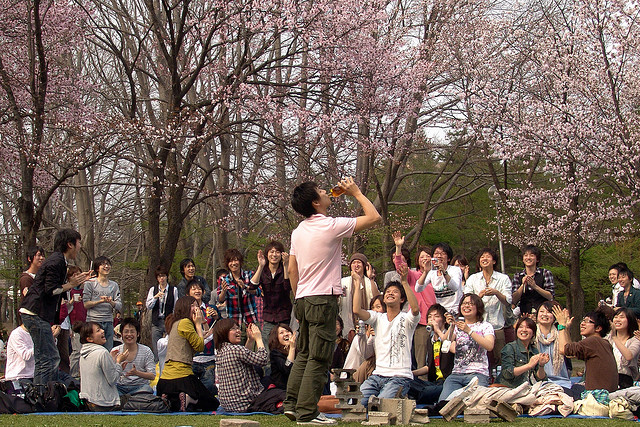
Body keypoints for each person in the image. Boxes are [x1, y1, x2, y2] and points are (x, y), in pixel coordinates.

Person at [285, 177, 381, 425]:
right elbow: (374, 217)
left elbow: (292, 270)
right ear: (316, 202)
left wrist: (298, 296)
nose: (326, 191)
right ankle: (307, 413)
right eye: (320, 191)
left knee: (305, 353)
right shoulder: (330, 225)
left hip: (303, 300)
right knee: (318, 357)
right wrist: (356, 192)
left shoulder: (298, 232)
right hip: (322, 299)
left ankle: (292, 405)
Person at [19, 228, 93, 384]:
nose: (80, 247)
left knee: (43, 357)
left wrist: (74, 283)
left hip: (36, 314)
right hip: (34, 313)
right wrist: (70, 285)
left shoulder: (59, 261)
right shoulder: (57, 261)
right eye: (78, 243)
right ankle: (45, 395)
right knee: (50, 357)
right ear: (70, 244)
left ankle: (41, 395)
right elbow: (51, 289)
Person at [355, 264, 420, 406]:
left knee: (382, 407)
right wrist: (358, 282)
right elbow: (357, 310)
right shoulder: (378, 318)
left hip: (400, 377)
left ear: (402, 299)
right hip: (377, 376)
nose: (390, 293)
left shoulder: (407, 319)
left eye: (395, 292)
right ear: (383, 299)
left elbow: (415, 309)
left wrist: (404, 282)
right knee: (356, 404)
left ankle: (403, 397)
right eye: (388, 291)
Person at [156, 296, 218, 412]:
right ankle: (189, 398)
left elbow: (189, 348)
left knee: (178, 406)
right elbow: (199, 347)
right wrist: (198, 324)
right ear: (184, 307)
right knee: (212, 403)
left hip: (164, 381)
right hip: (182, 377)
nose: (197, 308)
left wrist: (201, 334)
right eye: (193, 305)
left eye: (197, 305)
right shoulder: (186, 322)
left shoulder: (176, 323)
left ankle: (170, 397)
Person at [391, 232, 436, 376]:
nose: (425, 259)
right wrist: (399, 248)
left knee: (426, 359)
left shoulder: (438, 276)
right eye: (422, 256)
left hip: (433, 321)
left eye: (428, 256)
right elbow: (400, 266)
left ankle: (425, 388)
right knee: (413, 357)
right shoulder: (414, 276)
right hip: (417, 321)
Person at [214, 319, 280, 412]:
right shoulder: (235, 349)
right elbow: (263, 359)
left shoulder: (222, 350)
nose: (238, 331)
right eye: (233, 329)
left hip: (229, 405)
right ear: (223, 332)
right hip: (245, 404)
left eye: (238, 328)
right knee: (280, 393)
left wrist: (250, 339)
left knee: (266, 380)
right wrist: (259, 338)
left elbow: (244, 358)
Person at [438, 294, 495, 401]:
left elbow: (489, 346)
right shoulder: (457, 326)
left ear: (478, 307)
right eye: (464, 303)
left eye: (470, 303)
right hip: (457, 374)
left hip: (478, 373)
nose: (466, 306)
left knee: (475, 404)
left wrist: (469, 331)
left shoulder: (485, 326)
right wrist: (451, 325)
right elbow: (446, 342)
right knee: (443, 403)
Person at [463, 248, 512, 371]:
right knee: (478, 359)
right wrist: (478, 297)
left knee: (500, 357)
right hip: (477, 325)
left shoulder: (503, 278)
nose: (484, 259)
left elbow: (508, 300)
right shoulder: (473, 279)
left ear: (494, 261)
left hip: (497, 325)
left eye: (488, 256)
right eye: (482, 257)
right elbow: (465, 299)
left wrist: (496, 293)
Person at [554, 306, 618, 397]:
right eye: (583, 321)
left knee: (553, 390)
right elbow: (570, 354)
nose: (582, 324)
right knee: (575, 387)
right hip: (605, 394)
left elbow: (563, 350)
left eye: (588, 321)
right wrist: (566, 330)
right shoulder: (603, 342)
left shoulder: (593, 341)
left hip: (596, 396)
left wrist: (561, 325)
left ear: (598, 328)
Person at [408, 304, 454, 404]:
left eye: (436, 316)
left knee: (427, 392)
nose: (432, 319)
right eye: (429, 316)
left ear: (444, 320)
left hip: (447, 381)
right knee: (406, 382)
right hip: (433, 382)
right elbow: (429, 367)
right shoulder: (431, 340)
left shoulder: (451, 334)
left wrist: (437, 330)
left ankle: (419, 398)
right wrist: (410, 373)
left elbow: (447, 343)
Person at [79, 321, 128, 411]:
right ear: (89, 339)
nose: (102, 331)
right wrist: (118, 363)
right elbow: (113, 380)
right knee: (136, 399)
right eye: (98, 331)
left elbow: (99, 373)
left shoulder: (83, 353)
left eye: (101, 329)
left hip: (88, 402)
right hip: (104, 403)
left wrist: (112, 360)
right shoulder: (102, 353)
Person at [252, 241, 292, 345]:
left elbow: (287, 288)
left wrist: (286, 265)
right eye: (271, 251)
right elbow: (252, 286)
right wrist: (260, 266)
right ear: (267, 254)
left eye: (277, 252)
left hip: (284, 315)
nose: (274, 255)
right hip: (268, 316)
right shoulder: (263, 271)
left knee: (284, 346)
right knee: (267, 346)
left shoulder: (285, 269)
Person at [339, 252, 380, 341]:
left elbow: (377, 299)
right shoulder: (343, 282)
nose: (356, 265)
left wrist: (371, 279)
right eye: (353, 263)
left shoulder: (369, 282)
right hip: (347, 321)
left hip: (366, 322)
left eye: (359, 263)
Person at [83, 256, 122, 350]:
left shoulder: (114, 285)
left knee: (108, 349)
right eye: (103, 264)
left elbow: (119, 305)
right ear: (97, 268)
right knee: (94, 349)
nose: (106, 266)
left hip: (108, 321)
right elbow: (86, 304)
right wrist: (100, 301)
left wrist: (110, 302)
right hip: (93, 321)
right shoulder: (90, 283)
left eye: (108, 264)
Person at [495, 317, 548, 387]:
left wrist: (541, 365)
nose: (524, 330)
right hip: (506, 388)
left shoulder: (534, 350)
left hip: (525, 388)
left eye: (528, 327)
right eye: (521, 327)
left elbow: (540, 378)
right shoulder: (509, 348)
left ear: (533, 333)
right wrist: (529, 365)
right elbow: (507, 373)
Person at [187, 280, 218, 395]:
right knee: (191, 387)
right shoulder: (186, 311)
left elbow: (217, 328)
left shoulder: (211, 308)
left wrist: (216, 318)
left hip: (208, 356)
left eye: (199, 289)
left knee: (208, 387)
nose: (197, 291)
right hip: (191, 357)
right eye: (193, 289)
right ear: (188, 293)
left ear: (204, 292)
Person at [217, 249, 260, 332]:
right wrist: (224, 291)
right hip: (234, 321)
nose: (233, 263)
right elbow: (220, 299)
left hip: (251, 319)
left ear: (240, 262)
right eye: (230, 261)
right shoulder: (223, 279)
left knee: (254, 343)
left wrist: (245, 287)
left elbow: (258, 292)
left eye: (236, 260)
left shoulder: (250, 274)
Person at [415, 243, 463, 315]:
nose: (439, 256)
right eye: (436, 253)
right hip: (441, 313)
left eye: (443, 253)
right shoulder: (432, 273)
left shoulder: (455, 270)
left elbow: (454, 287)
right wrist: (425, 272)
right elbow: (418, 289)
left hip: (456, 311)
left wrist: (444, 271)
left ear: (448, 258)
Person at [112, 317, 155, 395]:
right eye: (126, 332)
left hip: (140, 387)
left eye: (132, 332)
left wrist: (137, 373)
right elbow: (111, 376)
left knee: (148, 389)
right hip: (120, 387)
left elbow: (152, 376)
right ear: (121, 334)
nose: (129, 334)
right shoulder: (115, 351)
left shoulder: (146, 351)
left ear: (137, 334)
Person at [535, 301, 571, 389]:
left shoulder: (560, 333)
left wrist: (564, 327)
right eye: (542, 311)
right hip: (536, 381)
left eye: (549, 312)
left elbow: (568, 351)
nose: (545, 314)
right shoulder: (532, 332)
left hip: (561, 381)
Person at [146, 265, 178, 361]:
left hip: (168, 321)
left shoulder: (174, 290)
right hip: (156, 321)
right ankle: (157, 367)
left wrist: (174, 319)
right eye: (159, 276)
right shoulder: (153, 290)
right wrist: (155, 297)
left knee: (170, 345)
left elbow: (176, 306)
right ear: (157, 278)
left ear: (167, 277)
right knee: (156, 348)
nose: (162, 278)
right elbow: (148, 306)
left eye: (163, 276)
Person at [511, 245, 554, 316]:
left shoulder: (545, 273)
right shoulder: (518, 276)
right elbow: (514, 300)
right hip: (524, 315)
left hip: (543, 314)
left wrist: (535, 286)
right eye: (526, 255)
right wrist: (522, 285)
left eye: (531, 255)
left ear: (537, 259)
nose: (528, 258)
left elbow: (550, 296)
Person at [608, 308, 640, 389]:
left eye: (622, 317)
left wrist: (614, 337)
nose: (617, 320)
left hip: (626, 381)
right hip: (607, 378)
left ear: (629, 320)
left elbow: (629, 356)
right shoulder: (607, 339)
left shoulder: (635, 340)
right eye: (616, 317)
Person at [268, 323, 297, 390]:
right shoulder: (275, 353)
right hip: (283, 389)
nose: (286, 334)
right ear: (276, 337)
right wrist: (292, 348)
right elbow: (287, 370)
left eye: (288, 331)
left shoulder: (298, 350)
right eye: (281, 333)